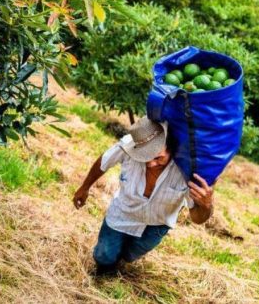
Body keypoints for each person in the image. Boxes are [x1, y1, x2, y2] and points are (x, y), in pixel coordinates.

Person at [73, 117, 215, 275]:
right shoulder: (129, 145)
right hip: (123, 213)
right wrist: (84, 187)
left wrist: (206, 205)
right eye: (145, 157)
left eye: (158, 157)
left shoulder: (188, 171)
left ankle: (120, 259)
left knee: (129, 255)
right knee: (103, 256)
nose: (150, 164)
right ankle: (107, 267)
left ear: (172, 147)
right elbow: (104, 161)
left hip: (156, 224)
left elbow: (197, 219)